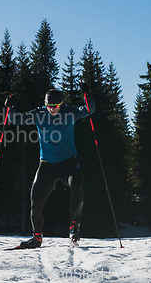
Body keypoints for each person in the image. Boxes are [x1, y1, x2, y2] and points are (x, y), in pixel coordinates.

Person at [6, 84, 95, 248]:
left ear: (61, 104)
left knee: (77, 183)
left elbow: (89, 109)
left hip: (68, 162)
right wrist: (10, 108)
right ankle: (37, 238)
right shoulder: (39, 113)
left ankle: (74, 228)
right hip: (46, 165)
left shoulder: (69, 112)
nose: (51, 109)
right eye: (48, 106)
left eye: (55, 106)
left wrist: (87, 95)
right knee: (35, 202)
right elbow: (16, 119)